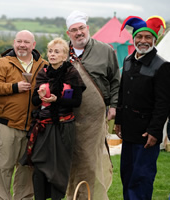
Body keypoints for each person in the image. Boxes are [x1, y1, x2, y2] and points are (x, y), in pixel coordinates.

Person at [65, 10, 120, 199]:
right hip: (68, 116)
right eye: (74, 30)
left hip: (95, 118)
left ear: (88, 28)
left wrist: (113, 105)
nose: (79, 33)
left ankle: (91, 196)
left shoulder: (105, 50)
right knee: (71, 158)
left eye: (81, 28)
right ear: (68, 33)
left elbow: (115, 81)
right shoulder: (63, 52)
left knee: (90, 160)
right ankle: (73, 195)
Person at [0, 30, 47, 200]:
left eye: (26, 42)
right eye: (19, 41)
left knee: (27, 169)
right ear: (14, 42)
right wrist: (14, 87)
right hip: (9, 125)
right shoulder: (4, 62)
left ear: (33, 45)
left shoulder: (43, 65)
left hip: (34, 126)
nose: (22, 45)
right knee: (3, 168)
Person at [22, 38, 86, 200]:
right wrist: (40, 95)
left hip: (64, 126)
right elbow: (35, 102)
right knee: (38, 164)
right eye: (50, 51)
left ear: (65, 56)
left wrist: (57, 100)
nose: (52, 54)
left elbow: (76, 102)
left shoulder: (71, 73)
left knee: (59, 166)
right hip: (43, 126)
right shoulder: (43, 73)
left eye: (57, 52)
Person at [115, 15, 170, 200]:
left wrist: (155, 131)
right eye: (139, 37)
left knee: (141, 178)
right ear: (134, 38)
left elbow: (163, 103)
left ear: (155, 40)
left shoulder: (162, 66)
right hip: (129, 131)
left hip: (147, 134)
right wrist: (119, 121)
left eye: (148, 37)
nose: (143, 41)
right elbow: (123, 93)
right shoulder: (128, 61)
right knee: (127, 175)